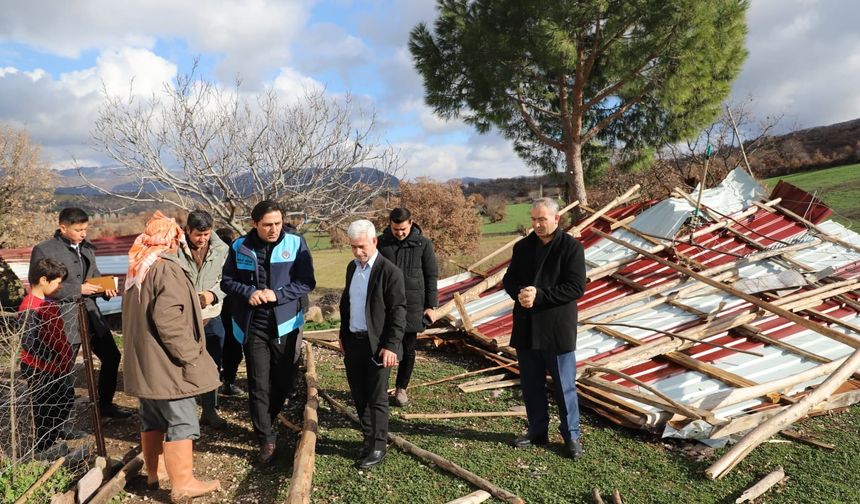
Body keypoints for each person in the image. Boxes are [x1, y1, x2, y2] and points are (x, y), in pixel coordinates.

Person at [122, 212, 221, 501]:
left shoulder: (136, 269)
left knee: (151, 416)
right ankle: (183, 484)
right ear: (172, 241)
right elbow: (169, 320)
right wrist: (191, 356)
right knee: (183, 418)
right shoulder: (166, 270)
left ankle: (156, 473)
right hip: (167, 364)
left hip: (145, 362)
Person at [221, 200, 315, 466]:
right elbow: (227, 281)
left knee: (284, 381)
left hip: (285, 323)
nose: (274, 229)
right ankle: (266, 436)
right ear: (255, 224)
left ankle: (267, 417)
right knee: (258, 382)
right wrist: (248, 293)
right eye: (267, 225)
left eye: (278, 223)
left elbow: (307, 282)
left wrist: (279, 294)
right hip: (252, 324)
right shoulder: (240, 246)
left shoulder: (296, 244)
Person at [502, 198, 586, 460]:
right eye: (534, 219)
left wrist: (539, 296)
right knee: (531, 384)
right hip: (527, 326)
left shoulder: (571, 248)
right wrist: (520, 293)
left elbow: (576, 287)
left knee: (564, 386)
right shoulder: (523, 247)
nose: (537, 224)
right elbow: (510, 279)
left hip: (556, 328)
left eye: (542, 219)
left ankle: (571, 436)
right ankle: (537, 430)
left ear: (556, 218)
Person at [29, 207, 131, 419]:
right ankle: (60, 421)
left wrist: (105, 288)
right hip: (63, 318)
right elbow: (37, 284)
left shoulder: (87, 248)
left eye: (85, 228)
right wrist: (78, 290)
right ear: (63, 227)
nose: (84, 233)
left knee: (112, 357)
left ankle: (105, 405)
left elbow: (94, 275)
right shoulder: (44, 249)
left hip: (91, 314)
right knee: (63, 369)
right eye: (78, 230)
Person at [339, 219, 406, 470]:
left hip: (377, 344)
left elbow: (399, 312)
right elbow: (347, 304)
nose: (358, 252)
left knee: (377, 397)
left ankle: (379, 445)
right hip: (353, 341)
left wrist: (391, 345)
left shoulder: (389, 272)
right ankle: (368, 437)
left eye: (362, 246)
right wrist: (343, 335)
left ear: (374, 241)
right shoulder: (351, 268)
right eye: (353, 247)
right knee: (359, 394)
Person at [377, 207, 438, 408]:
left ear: (411, 223)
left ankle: (401, 388)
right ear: (390, 225)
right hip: (386, 305)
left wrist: (431, 305)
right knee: (382, 347)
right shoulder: (381, 243)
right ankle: (380, 388)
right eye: (395, 229)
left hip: (413, 305)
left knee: (408, 349)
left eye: (403, 228)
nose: (400, 232)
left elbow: (431, 276)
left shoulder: (423, 244)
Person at [175, 210, 230, 428]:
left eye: (206, 234)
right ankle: (184, 415)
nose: (202, 239)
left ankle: (209, 410)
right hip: (182, 318)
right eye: (198, 234)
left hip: (211, 316)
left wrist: (213, 295)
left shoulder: (222, 250)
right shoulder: (174, 249)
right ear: (187, 230)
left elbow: (228, 280)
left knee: (213, 365)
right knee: (184, 364)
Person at [18, 258, 76, 456]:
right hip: (41, 367)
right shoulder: (30, 307)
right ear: (44, 280)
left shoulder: (46, 302)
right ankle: (43, 447)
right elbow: (29, 342)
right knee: (45, 408)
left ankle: (54, 433)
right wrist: (54, 358)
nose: (60, 287)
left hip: (55, 366)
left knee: (65, 398)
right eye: (57, 282)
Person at [214, 227, 245, 397]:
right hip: (231, 308)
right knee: (232, 347)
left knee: (217, 347)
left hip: (218, 308)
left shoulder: (210, 254)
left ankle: (217, 383)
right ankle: (228, 382)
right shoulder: (236, 254)